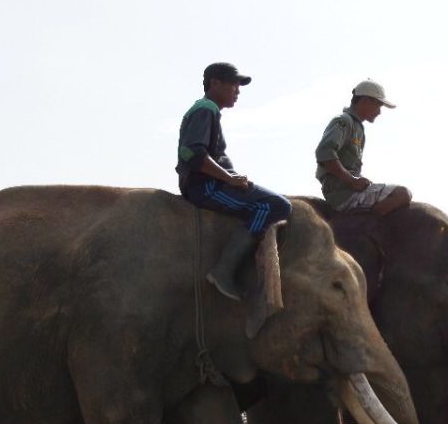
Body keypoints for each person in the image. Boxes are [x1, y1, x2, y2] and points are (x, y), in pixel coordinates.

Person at [177, 62, 292, 300]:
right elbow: (192, 152)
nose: (237, 91)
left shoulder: (209, 111)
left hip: (211, 182)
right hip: (205, 186)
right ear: (214, 83)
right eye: (233, 84)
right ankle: (224, 270)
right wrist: (229, 178)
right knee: (276, 205)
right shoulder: (205, 108)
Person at [314, 80, 412, 215]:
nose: (379, 112)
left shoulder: (357, 126)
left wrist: (357, 180)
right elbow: (324, 153)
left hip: (347, 188)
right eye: (378, 106)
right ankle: (369, 223)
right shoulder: (344, 121)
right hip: (342, 191)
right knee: (402, 194)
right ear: (366, 101)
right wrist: (352, 180)